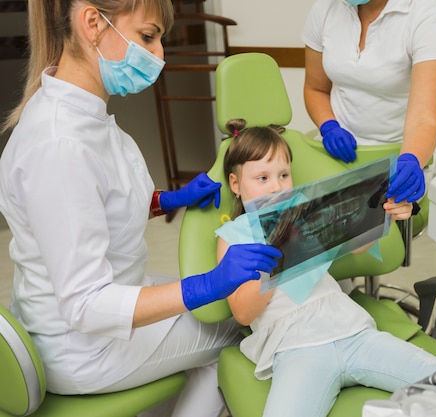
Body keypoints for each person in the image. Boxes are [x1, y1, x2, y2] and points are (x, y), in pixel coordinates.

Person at [0, 2, 281, 416]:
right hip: (84, 342)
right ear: (93, 23)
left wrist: (167, 200)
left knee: (222, 310)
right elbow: (85, 304)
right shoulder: (60, 144)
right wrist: (203, 286)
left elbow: (93, 211)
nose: (160, 54)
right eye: (148, 36)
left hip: (103, 300)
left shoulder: (84, 115)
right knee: (242, 326)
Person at [216, 119, 436, 417]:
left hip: (352, 330)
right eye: (262, 178)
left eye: (284, 175)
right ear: (236, 184)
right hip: (296, 348)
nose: (276, 186)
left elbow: (359, 242)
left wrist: (388, 209)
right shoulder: (234, 237)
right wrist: (277, 248)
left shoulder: (306, 212)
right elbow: (244, 313)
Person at [302, 0, 436, 204]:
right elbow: (315, 89)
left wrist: (411, 159)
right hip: (336, 154)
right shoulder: (326, 9)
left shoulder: (424, 14)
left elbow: (424, 118)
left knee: (378, 227)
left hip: (398, 158)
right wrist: (328, 126)